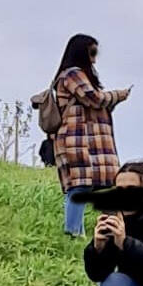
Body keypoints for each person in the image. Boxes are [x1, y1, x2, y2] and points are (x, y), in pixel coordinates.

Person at [52, 34, 131, 237]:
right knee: (79, 187)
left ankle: (78, 231)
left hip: (82, 139)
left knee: (82, 187)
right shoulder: (73, 75)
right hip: (77, 140)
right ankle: (72, 232)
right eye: (92, 52)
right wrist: (118, 95)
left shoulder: (73, 75)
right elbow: (93, 98)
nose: (95, 58)